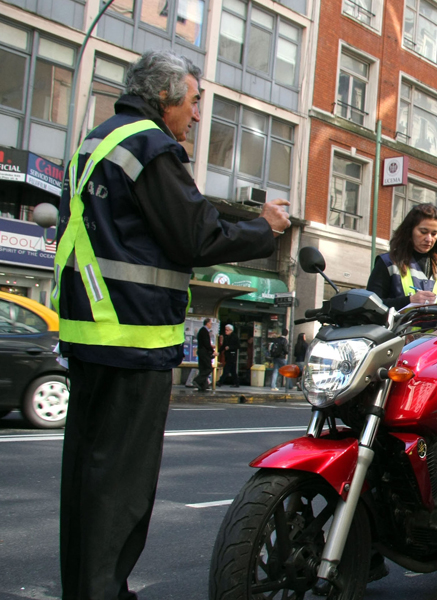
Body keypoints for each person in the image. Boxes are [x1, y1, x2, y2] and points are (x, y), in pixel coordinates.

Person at [54, 50, 292, 600]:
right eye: (195, 102)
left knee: (87, 480)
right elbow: (196, 236)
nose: (197, 115)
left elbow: (169, 220)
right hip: (132, 340)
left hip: (91, 336)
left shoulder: (98, 142)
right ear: (165, 99)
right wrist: (265, 227)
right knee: (123, 488)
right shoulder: (151, 144)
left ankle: (87, 589)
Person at [366, 203, 437, 308]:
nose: (429, 239)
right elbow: (370, 306)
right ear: (409, 231)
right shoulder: (388, 263)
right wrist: (409, 301)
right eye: (423, 232)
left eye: (434, 234)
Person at [193, 318, 216, 391]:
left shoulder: (202, 331)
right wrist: (212, 351)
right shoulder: (204, 331)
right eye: (210, 324)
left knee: (203, 368)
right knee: (208, 368)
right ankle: (198, 380)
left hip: (201, 351)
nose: (211, 325)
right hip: (204, 352)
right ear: (207, 323)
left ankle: (203, 385)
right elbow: (206, 343)